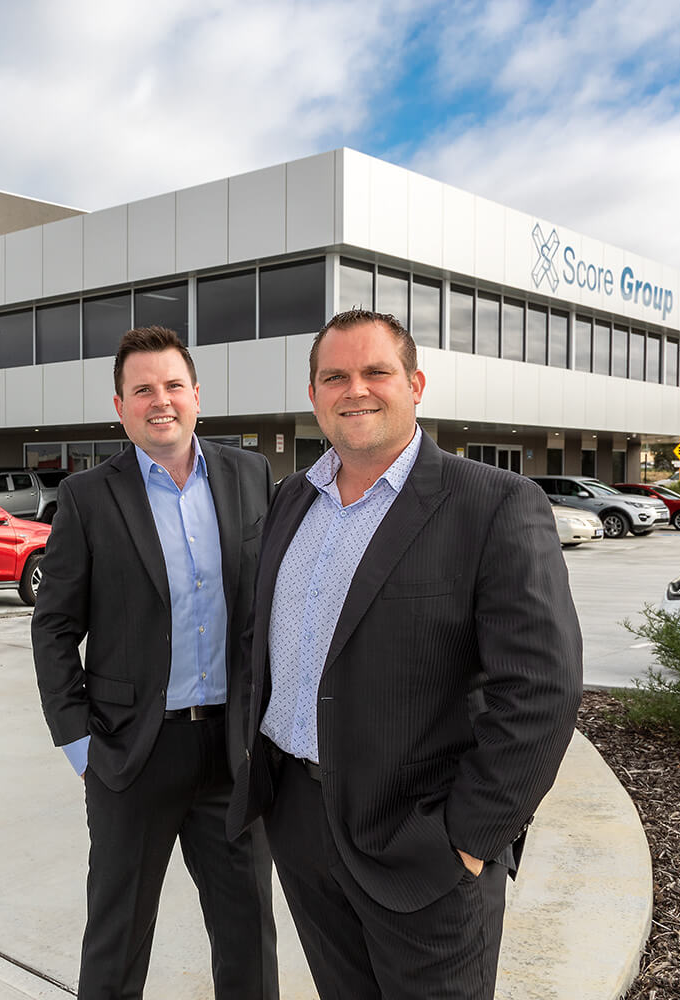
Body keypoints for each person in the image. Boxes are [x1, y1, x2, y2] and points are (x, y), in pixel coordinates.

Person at [226, 309, 583, 1000]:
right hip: (298, 818)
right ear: (314, 396)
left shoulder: (494, 504)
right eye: (335, 376)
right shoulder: (291, 500)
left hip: (419, 839)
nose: (355, 389)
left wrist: (471, 840)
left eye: (375, 372)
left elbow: (542, 688)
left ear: (415, 383)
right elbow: (261, 640)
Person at [33, 326, 279, 999]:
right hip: (131, 753)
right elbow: (54, 627)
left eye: (173, 385)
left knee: (249, 934)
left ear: (197, 395)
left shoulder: (250, 475)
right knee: (117, 938)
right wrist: (82, 744)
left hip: (231, 750)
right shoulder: (87, 499)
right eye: (143, 389)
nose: (160, 400)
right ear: (121, 406)